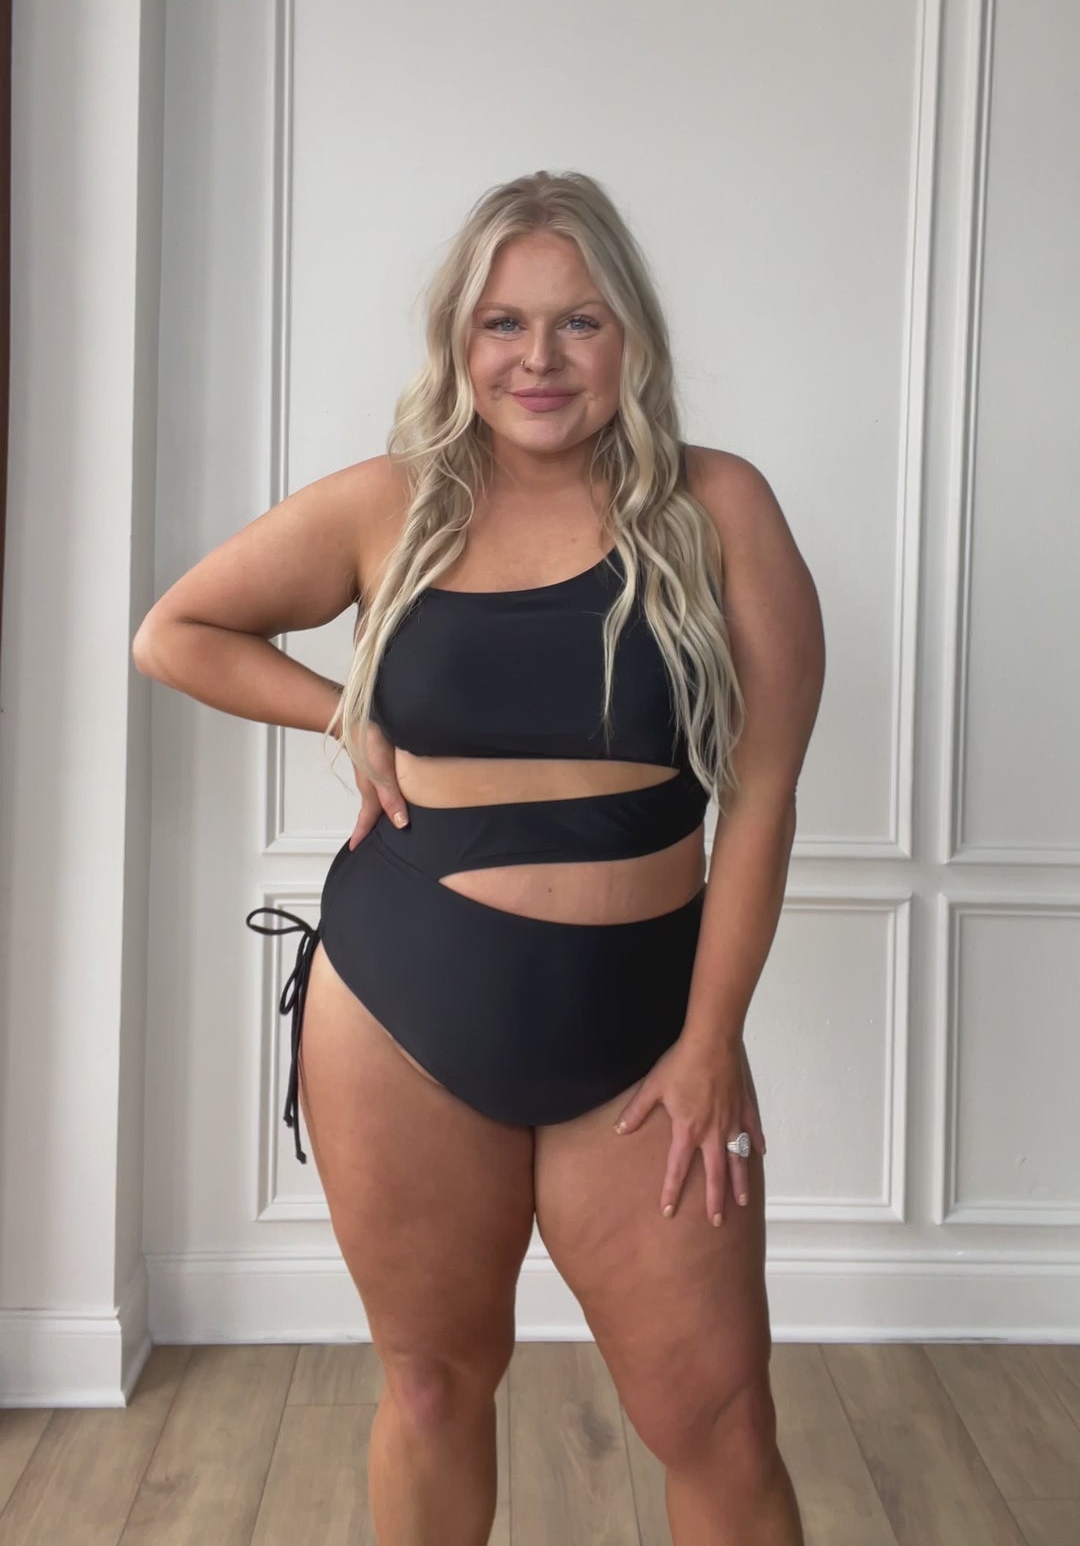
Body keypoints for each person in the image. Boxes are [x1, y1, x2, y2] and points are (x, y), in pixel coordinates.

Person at [133, 169, 824, 1546]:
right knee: (434, 1388)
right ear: (459, 338)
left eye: (579, 322)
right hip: (402, 1006)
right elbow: (176, 633)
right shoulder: (389, 506)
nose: (539, 359)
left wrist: (709, 1042)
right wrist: (342, 709)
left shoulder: (719, 507)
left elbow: (761, 800)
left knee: (721, 1419)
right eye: (504, 323)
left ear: (631, 337)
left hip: (645, 1031)